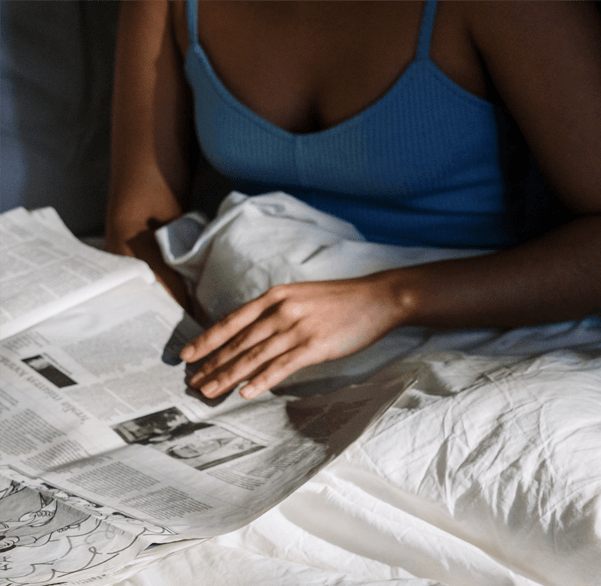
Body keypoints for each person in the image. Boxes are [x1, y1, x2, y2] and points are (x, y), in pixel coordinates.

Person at [106, 0, 601, 401]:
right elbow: (139, 219)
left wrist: (391, 299)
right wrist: (171, 357)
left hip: (475, 328)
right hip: (258, 337)